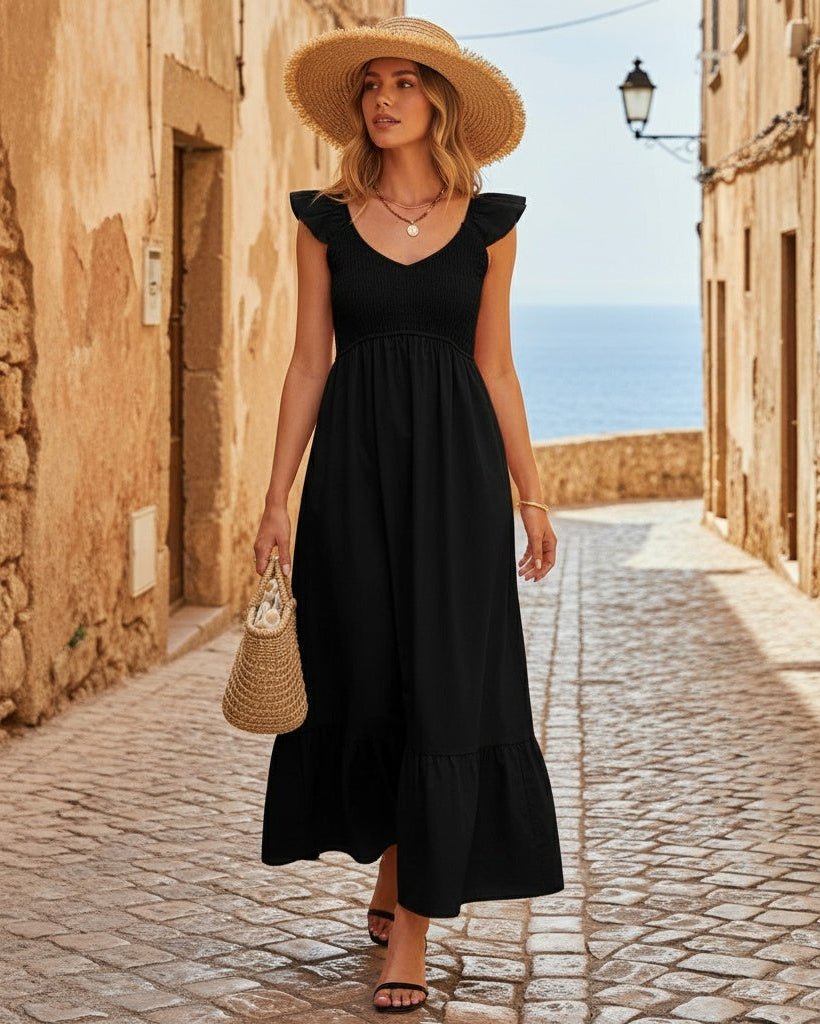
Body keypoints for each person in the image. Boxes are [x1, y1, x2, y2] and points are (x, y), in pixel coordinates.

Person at [255, 16, 564, 1014]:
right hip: (350, 472)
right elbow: (309, 362)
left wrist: (529, 490)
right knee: (372, 669)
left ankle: (414, 931)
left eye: (404, 83)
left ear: (437, 101)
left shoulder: (490, 221)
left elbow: (496, 366)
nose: (383, 98)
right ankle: (390, 870)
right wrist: (275, 499)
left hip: (458, 479)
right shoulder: (323, 220)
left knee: (444, 679)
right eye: (371, 85)